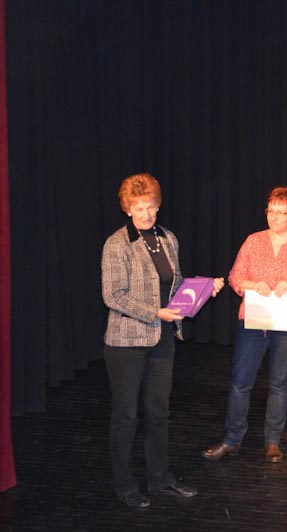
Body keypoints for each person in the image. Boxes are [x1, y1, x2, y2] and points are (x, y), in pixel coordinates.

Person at [101, 172, 224, 508]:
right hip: (126, 342)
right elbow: (113, 295)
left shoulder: (168, 238)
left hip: (162, 339)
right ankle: (125, 484)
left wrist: (204, 290)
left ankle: (160, 479)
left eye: (151, 207)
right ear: (127, 209)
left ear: (158, 205)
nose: (146, 214)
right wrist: (155, 312)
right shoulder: (116, 244)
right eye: (139, 208)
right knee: (126, 416)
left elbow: (176, 286)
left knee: (158, 412)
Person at [202, 186, 287, 463]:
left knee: (279, 382)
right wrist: (250, 284)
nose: (274, 217)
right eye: (270, 211)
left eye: (281, 213)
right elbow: (235, 277)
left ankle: (272, 441)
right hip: (255, 318)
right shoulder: (253, 241)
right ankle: (232, 439)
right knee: (241, 380)